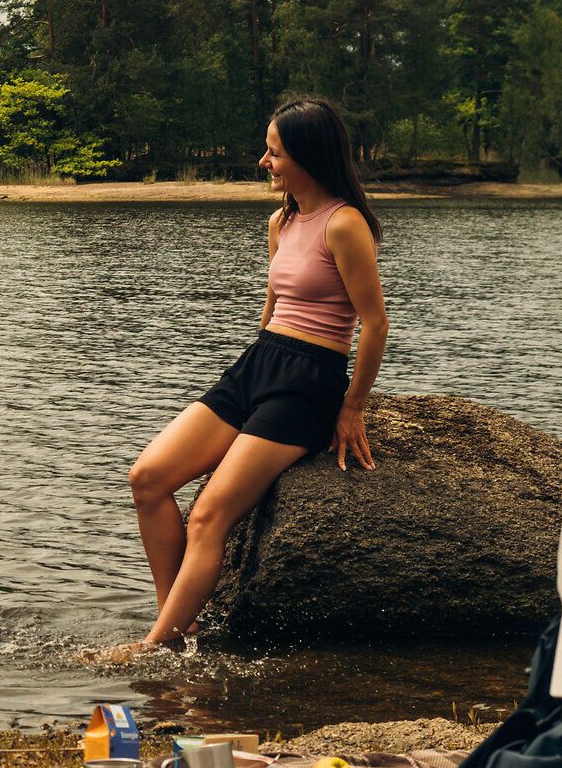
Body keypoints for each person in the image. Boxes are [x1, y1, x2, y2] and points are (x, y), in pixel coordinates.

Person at [122, 96, 388, 651]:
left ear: (307, 157)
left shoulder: (345, 224)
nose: (264, 163)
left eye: (274, 153)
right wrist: (249, 374)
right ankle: (178, 620)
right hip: (260, 362)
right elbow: (272, 307)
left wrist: (352, 407)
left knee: (208, 517)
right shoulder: (281, 221)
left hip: (309, 380)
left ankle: (155, 645)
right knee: (147, 479)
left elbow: (375, 324)